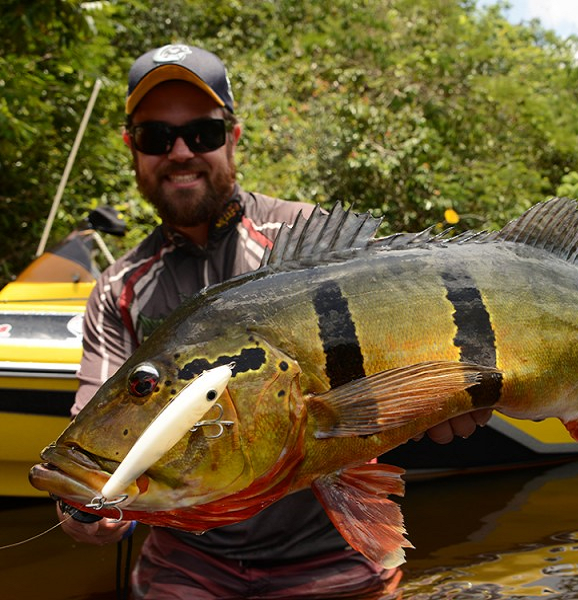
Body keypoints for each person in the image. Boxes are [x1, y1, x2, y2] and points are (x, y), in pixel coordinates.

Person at [57, 43, 491, 599]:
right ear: (132, 149)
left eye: (204, 133)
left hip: (332, 557)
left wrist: (448, 395)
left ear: (233, 137)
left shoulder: (309, 245)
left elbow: (418, 349)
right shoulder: (118, 290)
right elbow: (88, 439)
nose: (182, 151)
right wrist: (83, 510)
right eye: (156, 137)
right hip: (189, 568)